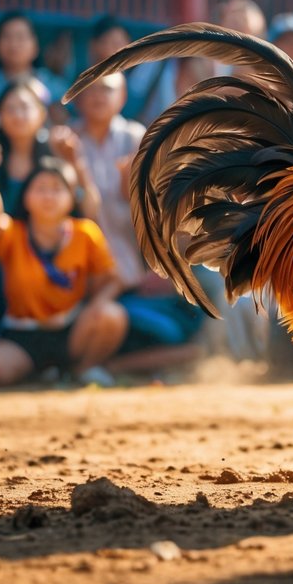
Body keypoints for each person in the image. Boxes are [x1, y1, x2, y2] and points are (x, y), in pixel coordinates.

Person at [70, 71, 202, 377]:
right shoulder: (65, 141)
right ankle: (93, 365)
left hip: (137, 276)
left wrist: (133, 194)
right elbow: (76, 214)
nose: (99, 96)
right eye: (91, 90)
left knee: (183, 336)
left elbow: (162, 216)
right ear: (78, 99)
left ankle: (113, 367)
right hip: (88, 275)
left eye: (107, 89)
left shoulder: (137, 139)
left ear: (123, 97)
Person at [0, 143, 126, 387]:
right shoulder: (13, 234)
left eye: (57, 189)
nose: (48, 196)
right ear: (26, 198)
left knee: (111, 316)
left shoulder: (86, 233)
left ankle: (82, 370)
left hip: (71, 329)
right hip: (22, 335)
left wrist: (97, 305)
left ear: (72, 198)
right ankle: (40, 373)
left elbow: (113, 279)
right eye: (40, 189)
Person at [87, 15, 178, 127]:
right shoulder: (83, 85)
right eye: (111, 43)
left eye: (121, 44)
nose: (117, 50)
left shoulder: (135, 85)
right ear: (94, 45)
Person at [0, 11, 65, 118]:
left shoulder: (53, 86)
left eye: (20, 37)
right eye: (7, 37)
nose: (13, 44)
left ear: (35, 46)